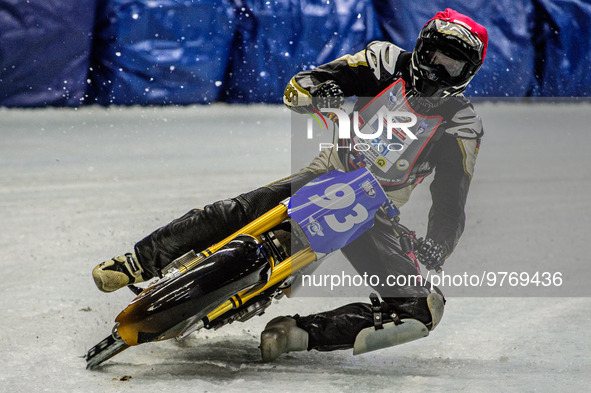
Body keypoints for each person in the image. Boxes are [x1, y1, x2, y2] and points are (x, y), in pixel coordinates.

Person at [92, 8, 487, 361]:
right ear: (421, 48)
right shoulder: (382, 61)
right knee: (243, 209)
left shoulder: (462, 125)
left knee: (422, 310)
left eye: (452, 67)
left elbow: (452, 199)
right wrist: (317, 90)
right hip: (330, 170)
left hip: (375, 209)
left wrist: (439, 244)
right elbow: (302, 85)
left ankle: (299, 333)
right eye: (436, 57)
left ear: (466, 76)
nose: (437, 71)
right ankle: (137, 261)